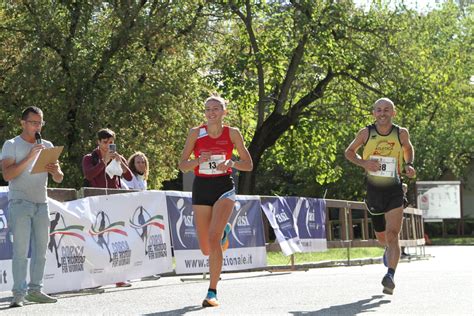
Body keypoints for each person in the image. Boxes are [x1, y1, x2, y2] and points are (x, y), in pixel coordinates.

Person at [179, 95, 253, 307]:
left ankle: (212, 292)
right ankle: (224, 233)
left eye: (216, 109)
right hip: (202, 187)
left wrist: (233, 163)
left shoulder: (233, 133)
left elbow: (248, 165)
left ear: (224, 112)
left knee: (213, 236)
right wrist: (197, 161)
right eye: (208, 109)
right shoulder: (196, 133)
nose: (211, 112)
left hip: (223, 187)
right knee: (206, 248)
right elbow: (182, 165)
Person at [345, 98, 416, 295]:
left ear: (393, 113)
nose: (382, 113)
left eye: (386, 110)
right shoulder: (366, 133)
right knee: (382, 237)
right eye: (378, 110)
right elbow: (349, 152)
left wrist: (408, 165)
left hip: (394, 189)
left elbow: (408, 149)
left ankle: (390, 275)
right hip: (373, 190)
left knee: (393, 235)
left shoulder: (401, 133)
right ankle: (387, 251)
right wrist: (364, 164)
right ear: (373, 113)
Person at [1, 106, 64, 307]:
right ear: (23, 123)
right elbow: (7, 175)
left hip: (41, 203)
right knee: (20, 250)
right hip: (19, 202)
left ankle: (36, 290)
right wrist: (30, 156)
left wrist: (55, 171)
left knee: (41, 250)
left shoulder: (47, 145)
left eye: (40, 123)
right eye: (34, 122)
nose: (38, 126)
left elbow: (60, 178)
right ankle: (19, 294)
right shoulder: (11, 144)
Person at [82, 128, 133, 288]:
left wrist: (121, 162)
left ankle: (119, 277)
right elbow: (89, 175)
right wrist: (103, 162)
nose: (108, 146)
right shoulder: (90, 158)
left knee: (117, 240)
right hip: (97, 203)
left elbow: (129, 176)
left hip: (115, 201)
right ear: (98, 142)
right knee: (98, 241)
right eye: (105, 142)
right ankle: (96, 278)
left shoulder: (117, 156)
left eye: (111, 142)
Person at [123, 152, 160, 281]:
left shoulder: (143, 179)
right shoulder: (129, 178)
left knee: (144, 243)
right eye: (138, 162)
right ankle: (127, 274)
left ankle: (146, 271)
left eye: (143, 162)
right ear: (132, 164)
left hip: (141, 216)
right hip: (130, 217)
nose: (141, 164)